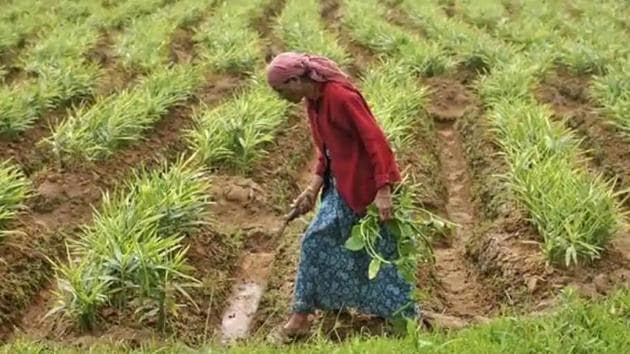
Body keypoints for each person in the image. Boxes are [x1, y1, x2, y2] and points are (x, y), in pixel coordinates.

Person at [266, 52, 418, 340]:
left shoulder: (340, 97)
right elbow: (327, 150)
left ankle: (400, 319)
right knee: (319, 242)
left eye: (280, 90)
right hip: (340, 187)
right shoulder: (313, 103)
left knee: (378, 253)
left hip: (366, 189)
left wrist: (383, 191)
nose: (279, 96)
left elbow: (377, 143)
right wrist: (312, 188)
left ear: (296, 80)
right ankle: (308, 316)